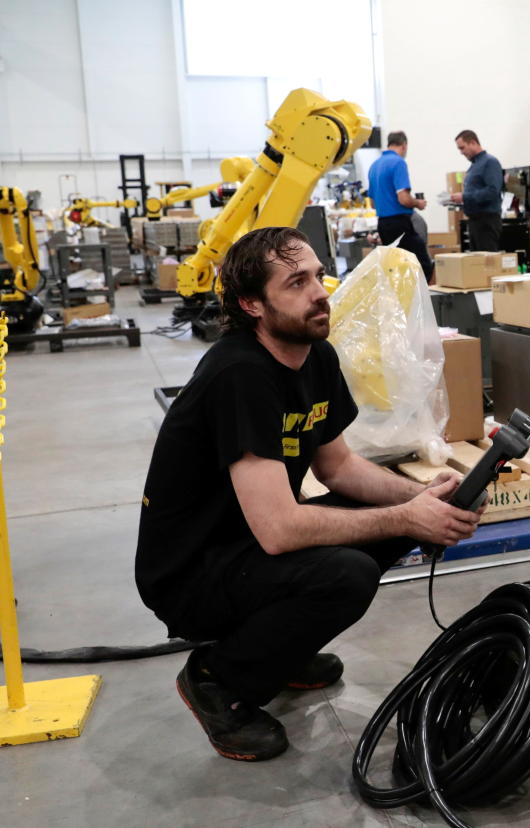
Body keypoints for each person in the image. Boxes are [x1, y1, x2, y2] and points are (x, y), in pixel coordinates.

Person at [135, 226, 484, 762]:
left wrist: (420, 498)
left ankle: (276, 650)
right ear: (252, 304)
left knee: (386, 518)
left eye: (318, 276)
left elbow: (339, 467)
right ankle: (218, 679)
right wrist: (404, 518)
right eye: (296, 283)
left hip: (245, 543)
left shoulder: (314, 356)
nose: (320, 292)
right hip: (192, 572)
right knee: (348, 573)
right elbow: (279, 531)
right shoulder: (239, 375)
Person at [368, 130, 436, 279]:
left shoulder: (374, 166)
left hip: (383, 225)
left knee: (396, 269)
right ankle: (418, 300)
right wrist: (418, 203)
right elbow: (404, 199)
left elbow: (372, 203)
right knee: (423, 264)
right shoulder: (398, 163)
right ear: (404, 145)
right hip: (400, 224)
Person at [451, 129, 504, 251]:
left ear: (473, 143)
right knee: (476, 264)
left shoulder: (490, 162)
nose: (461, 152)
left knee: (486, 264)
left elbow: (493, 191)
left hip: (487, 223)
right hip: (475, 222)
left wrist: (464, 197)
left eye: (462, 148)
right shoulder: (475, 165)